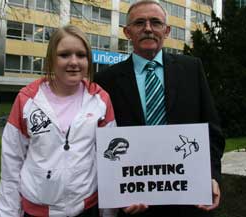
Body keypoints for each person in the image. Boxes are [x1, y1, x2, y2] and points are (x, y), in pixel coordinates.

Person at [94, 1, 225, 217]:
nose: (148, 28)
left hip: (190, 201)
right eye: (139, 23)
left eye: (155, 22)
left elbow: (212, 131)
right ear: (127, 32)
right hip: (134, 201)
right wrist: (116, 191)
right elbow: (101, 143)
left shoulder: (192, 69)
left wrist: (211, 177)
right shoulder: (106, 80)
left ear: (167, 30)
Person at [0, 25, 116, 217]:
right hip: (37, 211)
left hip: (86, 209)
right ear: (51, 59)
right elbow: (11, 164)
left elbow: (109, 161)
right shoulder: (27, 99)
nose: (74, 62)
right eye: (64, 55)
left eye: (81, 55)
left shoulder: (101, 100)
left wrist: (109, 212)